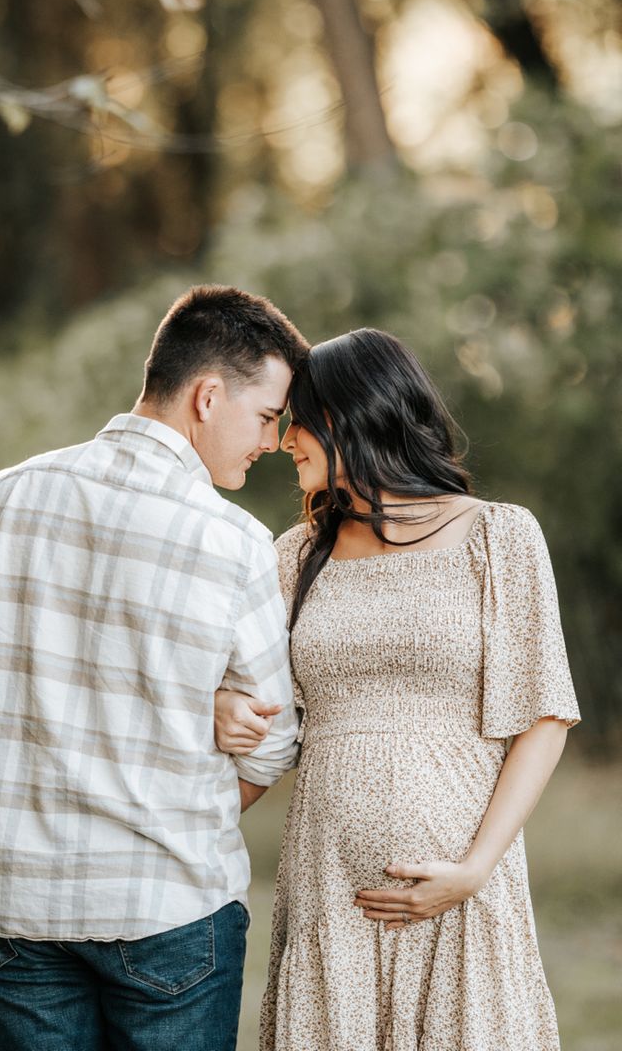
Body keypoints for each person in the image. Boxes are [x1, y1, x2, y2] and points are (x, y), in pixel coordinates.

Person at [0, 284, 309, 1051]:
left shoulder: (2, 501)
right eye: (268, 417)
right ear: (208, 396)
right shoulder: (233, 543)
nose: (272, 442)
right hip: (168, 910)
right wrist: (174, 797)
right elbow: (274, 741)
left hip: (19, 907)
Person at [215, 327, 581, 1051]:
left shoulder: (499, 538)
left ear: (354, 415)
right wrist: (225, 707)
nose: (285, 440)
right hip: (329, 896)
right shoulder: (293, 556)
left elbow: (544, 717)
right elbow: (255, 699)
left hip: (462, 898)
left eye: (300, 419)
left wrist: (472, 871)